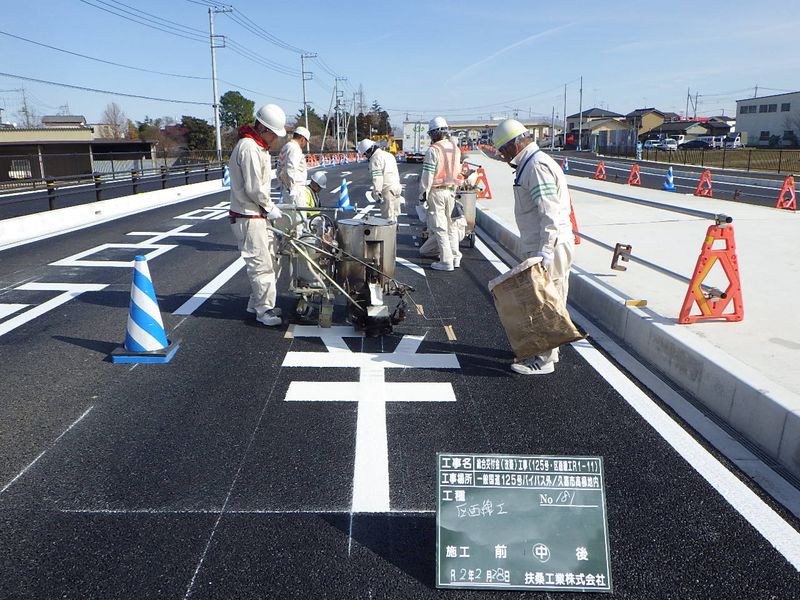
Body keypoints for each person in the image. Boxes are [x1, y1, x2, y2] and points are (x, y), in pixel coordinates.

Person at [493, 118, 575, 375]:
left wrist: (546, 250)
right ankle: (551, 351)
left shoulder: (536, 167)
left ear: (517, 143)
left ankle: (544, 359)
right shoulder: (529, 163)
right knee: (551, 298)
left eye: (505, 150)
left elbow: (549, 211)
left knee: (544, 301)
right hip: (542, 241)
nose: (504, 157)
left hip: (547, 243)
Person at [228, 103, 287, 327]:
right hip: (248, 215)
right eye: (274, 133)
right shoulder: (250, 148)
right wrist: (269, 206)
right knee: (261, 264)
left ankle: (258, 303)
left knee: (270, 260)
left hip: (254, 215)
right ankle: (264, 311)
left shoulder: (256, 146)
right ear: (263, 128)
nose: (275, 138)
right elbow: (254, 188)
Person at [418, 116, 461, 271]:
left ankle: (446, 261)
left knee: (440, 227)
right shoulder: (456, 149)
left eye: (430, 134)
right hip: (451, 192)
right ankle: (455, 257)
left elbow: (427, 176)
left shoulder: (433, 150)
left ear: (435, 133)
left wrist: (422, 195)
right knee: (452, 226)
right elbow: (458, 172)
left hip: (437, 192)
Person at [357, 138, 402, 222]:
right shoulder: (389, 155)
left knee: (387, 218)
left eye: (365, 154)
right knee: (394, 215)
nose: (365, 156)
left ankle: (389, 234)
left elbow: (377, 178)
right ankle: (394, 232)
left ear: (368, 151)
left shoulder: (375, 159)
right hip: (397, 187)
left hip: (387, 190)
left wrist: (377, 193)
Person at [277, 125, 310, 205]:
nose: (305, 144)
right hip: (296, 189)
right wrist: (293, 188)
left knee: (288, 215)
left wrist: (281, 184)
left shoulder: (286, 146)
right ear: (302, 139)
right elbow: (291, 168)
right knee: (299, 216)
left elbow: (279, 168)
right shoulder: (295, 148)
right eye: (306, 142)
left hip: (286, 188)